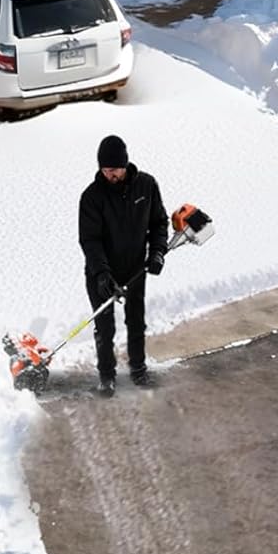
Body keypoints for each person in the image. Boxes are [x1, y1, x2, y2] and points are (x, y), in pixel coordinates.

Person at [79, 135, 167, 394]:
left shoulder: (146, 186)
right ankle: (106, 375)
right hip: (102, 272)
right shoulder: (92, 197)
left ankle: (138, 370)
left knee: (136, 320)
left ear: (125, 165)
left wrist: (157, 252)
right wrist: (102, 274)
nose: (110, 175)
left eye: (114, 169)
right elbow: (89, 240)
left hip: (135, 267)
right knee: (105, 327)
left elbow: (158, 222)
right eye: (105, 170)